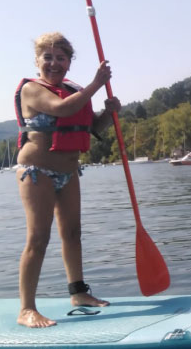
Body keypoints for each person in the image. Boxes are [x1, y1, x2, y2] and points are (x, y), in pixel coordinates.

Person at [14, 32, 121, 328]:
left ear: (69, 63)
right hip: (37, 171)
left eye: (61, 57)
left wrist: (108, 114)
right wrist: (97, 84)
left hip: (69, 170)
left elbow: (87, 125)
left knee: (73, 233)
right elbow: (62, 109)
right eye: (47, 57)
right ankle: (26, 309)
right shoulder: (32, 90)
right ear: (37, 61)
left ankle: (79, 293)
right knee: (38, 238)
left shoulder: (73, 90)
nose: (54, 63)